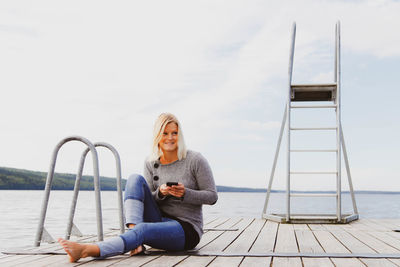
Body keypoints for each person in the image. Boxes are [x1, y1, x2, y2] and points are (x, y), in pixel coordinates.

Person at [58, 113, 218, 262]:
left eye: (174, 133)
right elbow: (147, 198)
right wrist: (160, 194)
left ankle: (89, 250)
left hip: (186, 229)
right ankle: (134, 237)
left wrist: (185, 193)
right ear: (157, 136)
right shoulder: (151, 162)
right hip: (158, 219)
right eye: (165, 133)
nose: (170, 138)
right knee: (134, 179)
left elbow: (212, 196)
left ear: (179, 135)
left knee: (143, 230)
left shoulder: (195, 160)